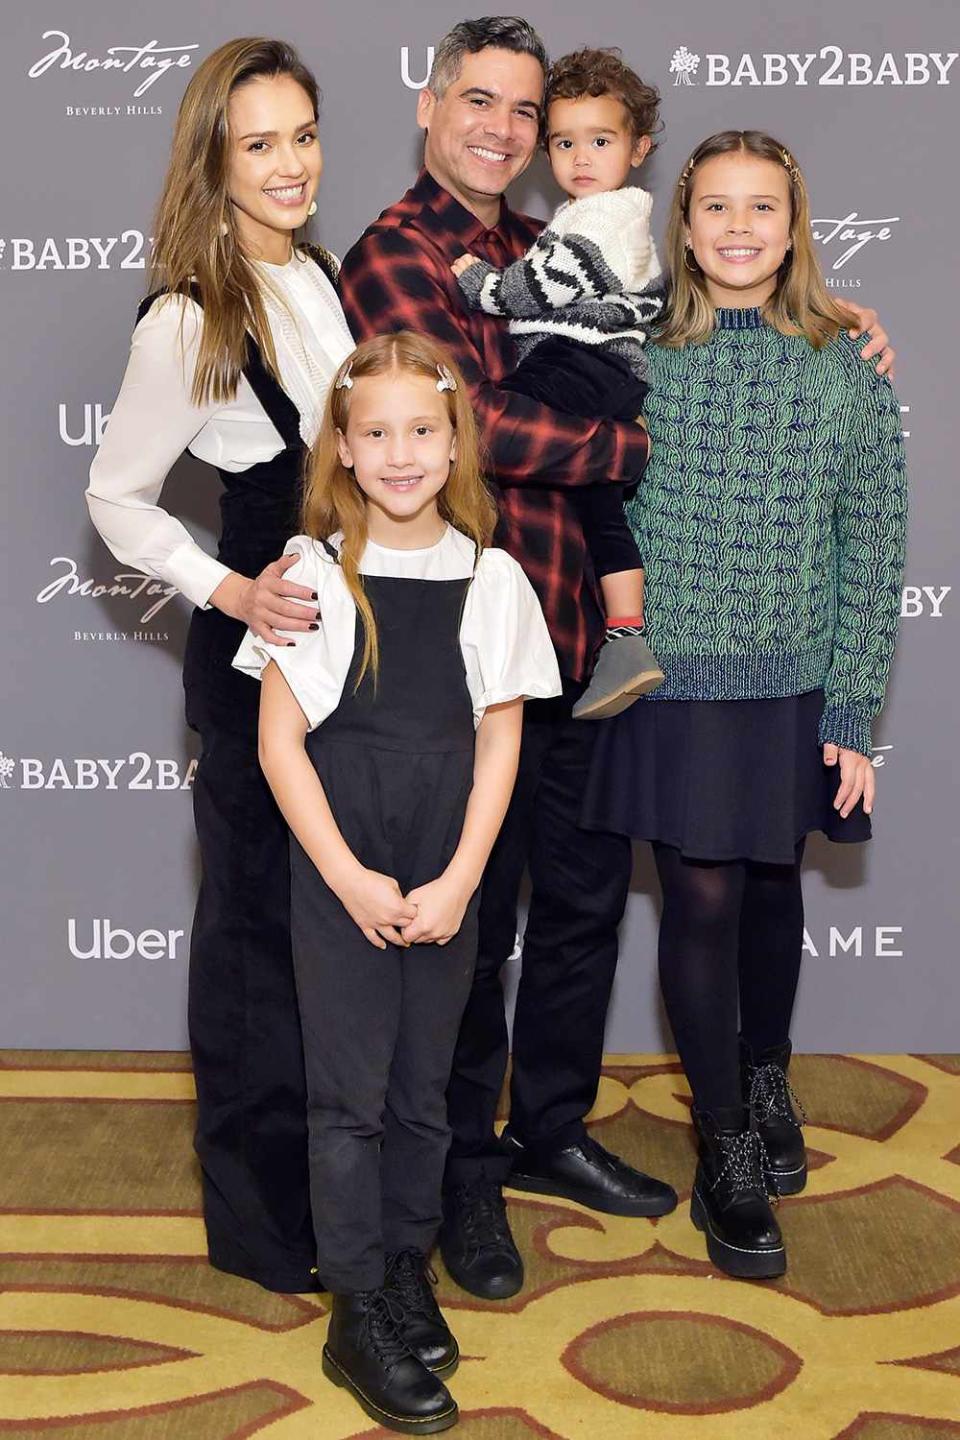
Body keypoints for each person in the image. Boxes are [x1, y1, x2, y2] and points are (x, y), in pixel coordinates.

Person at [339, 16, 896, 1303]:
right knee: (477, 926)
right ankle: (464, 1184)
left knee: (585, 909)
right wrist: (632, 444)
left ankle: (549, 1133)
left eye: (525, 113)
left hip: (588, 650)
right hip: (477, 646)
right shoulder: (402, 254)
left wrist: (830, 316)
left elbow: (693, 332)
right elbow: (465, 425)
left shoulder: (555, 251)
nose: (505, 129)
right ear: (432, 107)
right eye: (478, 102)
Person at [582, 131, 908, 1280]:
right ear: (682, 221)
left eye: (759, 207)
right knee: (703, 904)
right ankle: (721, 1144)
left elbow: (872, 544)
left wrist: (852, 711)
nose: (736, 228)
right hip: (675, 685)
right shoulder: (631, 353)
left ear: (793, 223)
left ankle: (766, 1072)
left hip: (798, 684)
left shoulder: (842, 362)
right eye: (714, 206)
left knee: (775, 892)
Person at [234, 333, 561, 1434]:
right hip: (346, 865)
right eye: (373, 432)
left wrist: (465, 878)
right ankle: (355, 1301)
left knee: (427, 1090)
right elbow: (281, 745)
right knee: (350, 1098)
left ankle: (405, 1261)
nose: (401, 452)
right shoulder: (314, 572)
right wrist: (346, 878)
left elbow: (501, 739)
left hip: (445, 869)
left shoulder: (493, 574)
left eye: (423, 429)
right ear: (340, 446)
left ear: (457, 438)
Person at [86, 38, 354, 1294]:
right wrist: (228, 585)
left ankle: (332, 1188)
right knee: (252, 937)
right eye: (261, 142)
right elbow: (118, 498)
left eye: (302, 134)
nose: (291, 163)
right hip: (256, 654)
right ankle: (260, 1228)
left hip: (346, 648)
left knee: (325, 929)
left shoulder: (322, 272)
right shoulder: (193, 311)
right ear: (214, 158)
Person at [453, 48, 667, 720]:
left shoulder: (602, 217)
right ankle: (627, 634)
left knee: (487, 427)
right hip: (610, 372)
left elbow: (544, 283)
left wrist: (480, 286)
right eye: (565, 142)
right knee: (599, 508)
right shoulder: (593, 212)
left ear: (639, 148)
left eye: (600, 141)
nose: (581, 158)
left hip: (584, 363)